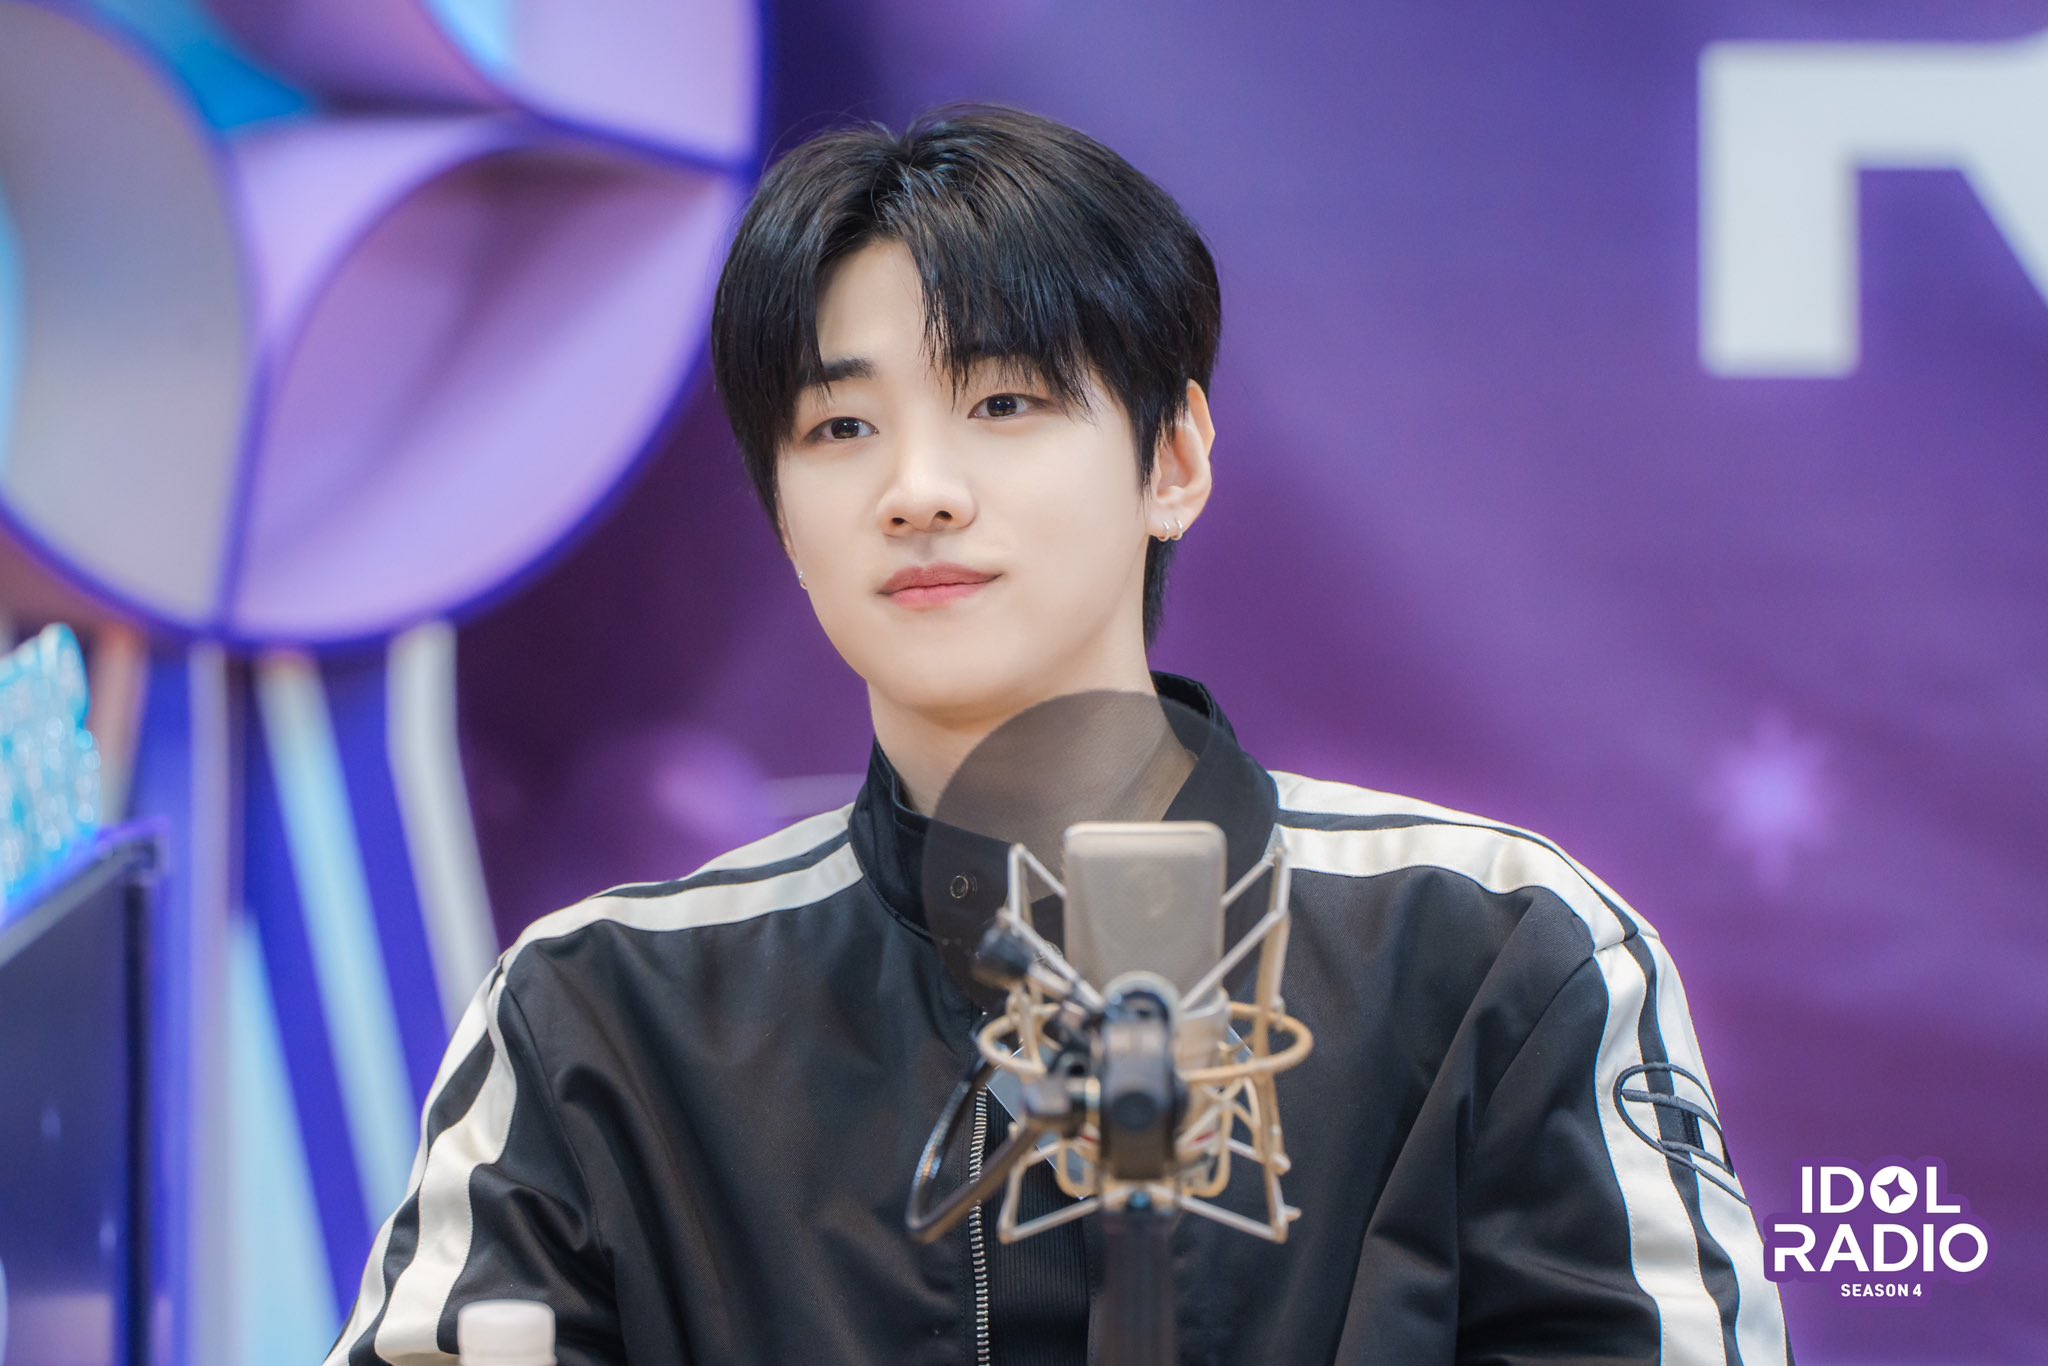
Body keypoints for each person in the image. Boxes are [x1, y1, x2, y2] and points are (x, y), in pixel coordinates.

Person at [324, 103, 1790, 1365]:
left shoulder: (1493, 949)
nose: (919, 489)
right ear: (781, 508)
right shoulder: (597, 1012)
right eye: (840, 429)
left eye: (1005, 401)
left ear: (1175, 459)